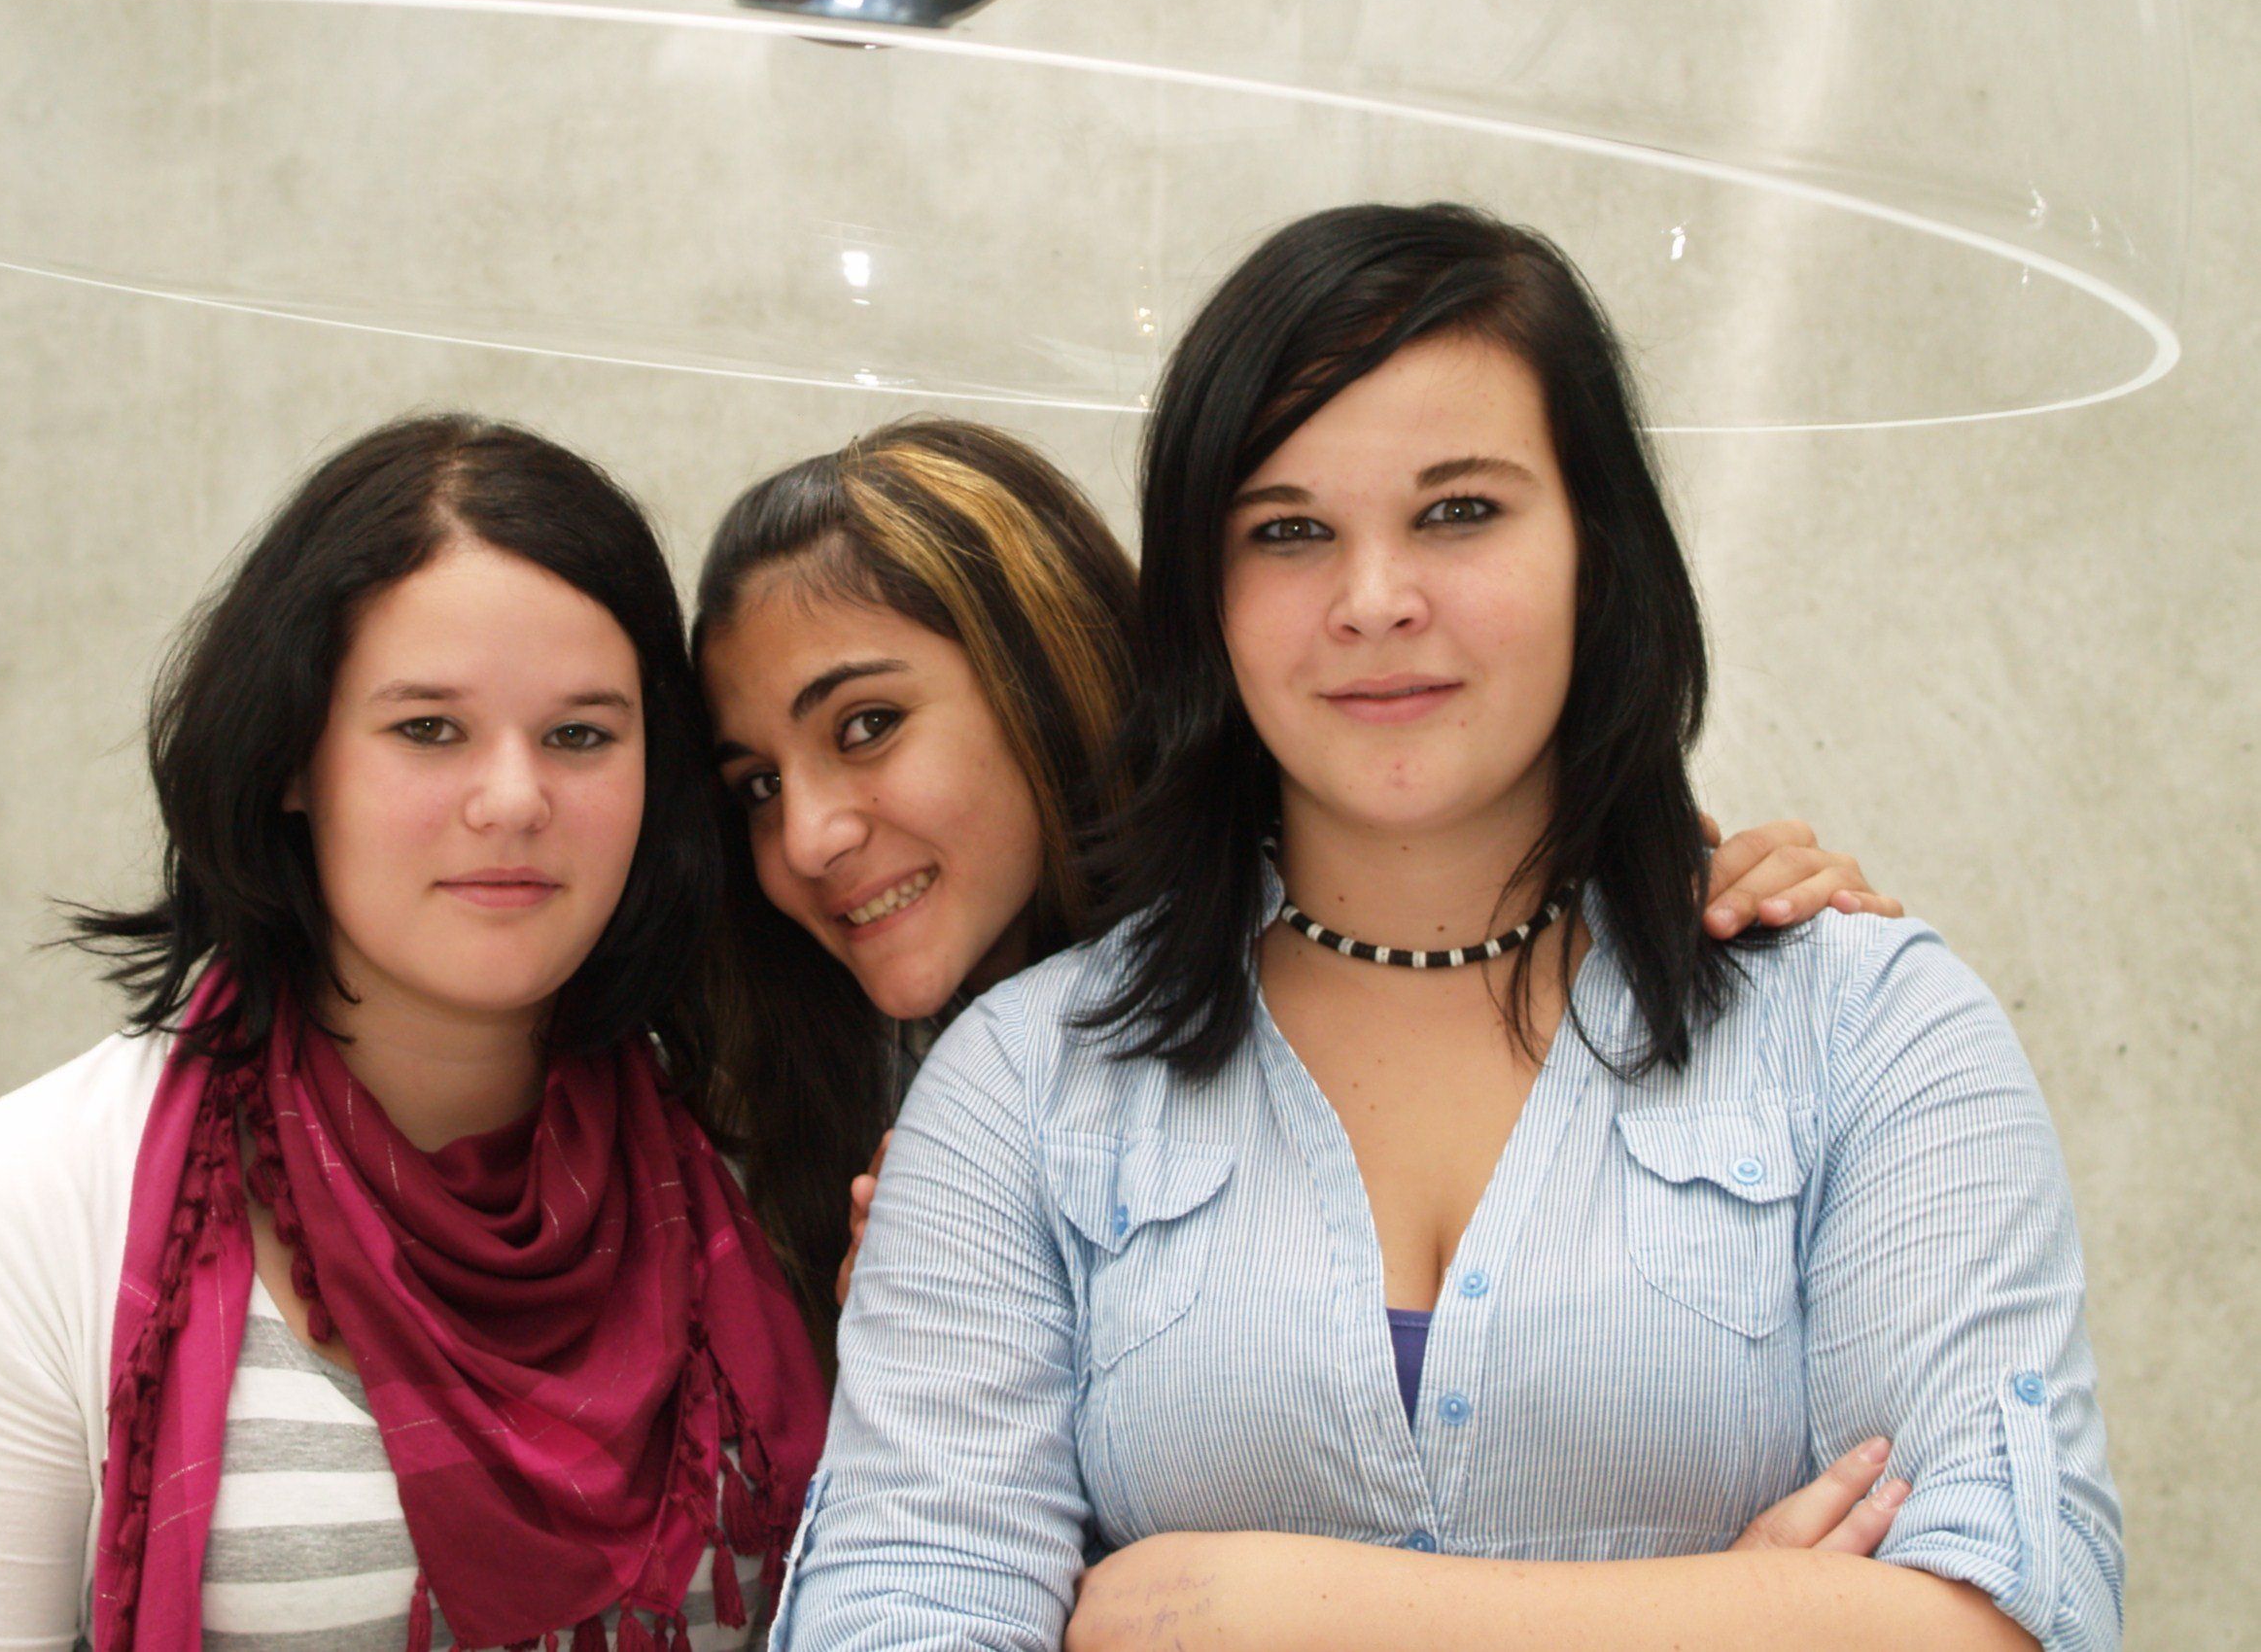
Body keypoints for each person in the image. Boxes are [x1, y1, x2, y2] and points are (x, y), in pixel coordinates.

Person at [771, 205, 2118, 1652]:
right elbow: (893, 1617)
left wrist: (1262, 1613)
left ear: (1596, 546)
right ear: (1204, 598)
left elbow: (2007, 1616)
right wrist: (1750, 1610)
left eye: (1458, 510)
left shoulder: (1866, 1025)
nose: (1373, 601)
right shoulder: (1021, 1081)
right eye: (1287, 531)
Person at [0, 416, 826, 1652]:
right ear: (292, 758)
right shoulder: (25, 1204)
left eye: (580, 734)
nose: (513, 798)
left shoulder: (758, 1170)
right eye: (428, 728)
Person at [692, 420, 1895, 1341]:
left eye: (866, 726)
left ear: (1043, 670)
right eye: (754, 783)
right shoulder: (768, 1106)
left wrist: (1742, 910)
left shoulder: (1366, 936)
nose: (806, 837)